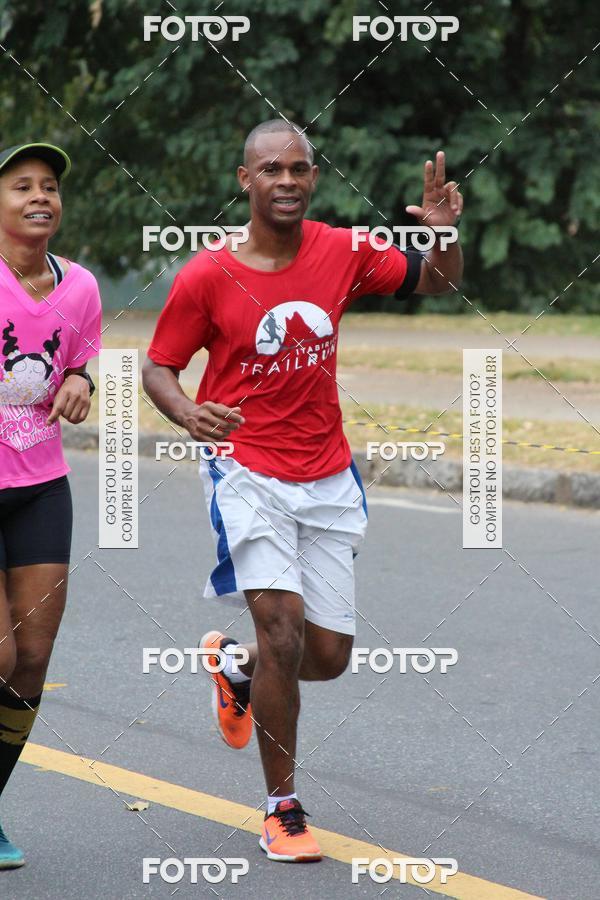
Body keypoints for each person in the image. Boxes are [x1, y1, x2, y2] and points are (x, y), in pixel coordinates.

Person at [142, 119, 463, 862]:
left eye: (298, 168)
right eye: (271, 169)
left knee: (326, 656)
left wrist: (443, 234)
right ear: (244, 180)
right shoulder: (208, 274)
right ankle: (281, 807)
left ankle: (236, 665)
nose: (286, 180)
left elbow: (440, 280)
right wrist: (188, 410)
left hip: (325, 473)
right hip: (244, 468)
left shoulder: (344, 250)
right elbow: (158, 366)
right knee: (283, 629)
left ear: (313, 178)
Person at [0, 143, 102, 868]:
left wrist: (85, 383)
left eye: (52, 187)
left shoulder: (83, 287)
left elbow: (79, 361)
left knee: (32, 658)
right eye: (22, 186)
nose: (42, 197)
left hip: (41, 486)